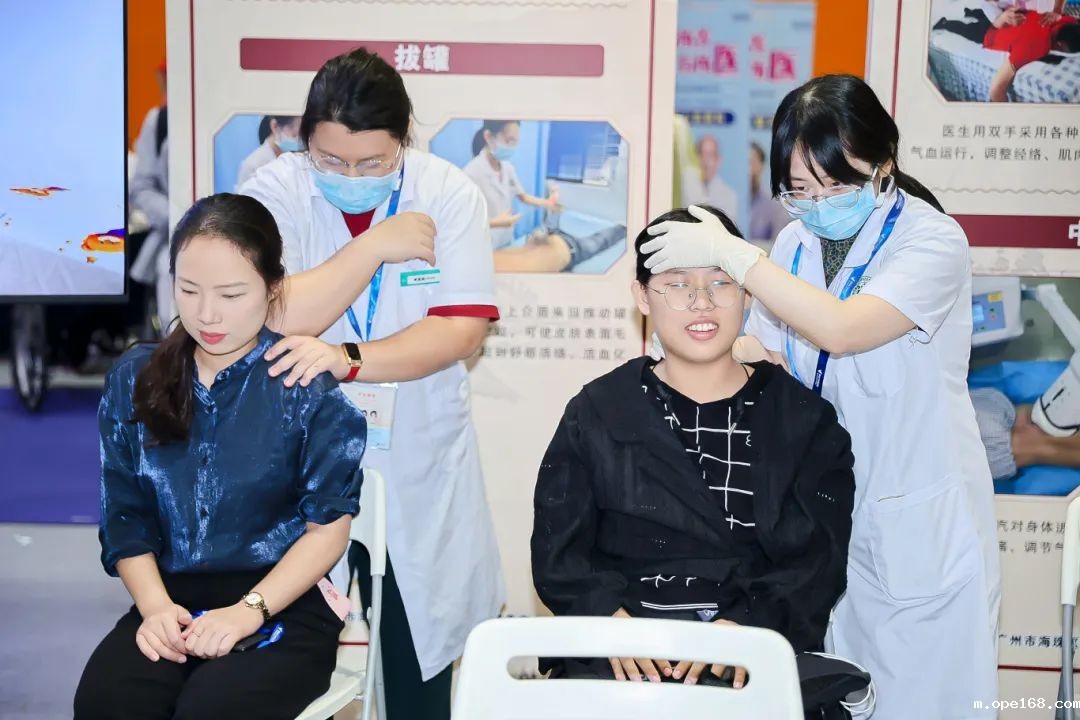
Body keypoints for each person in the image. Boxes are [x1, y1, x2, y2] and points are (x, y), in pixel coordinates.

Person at [641, 74, 1001, 719]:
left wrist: (736, 256)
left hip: (915, 525)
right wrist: (707, 336)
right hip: (823, 522)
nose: (816, 204)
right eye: (799, 190)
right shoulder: (795, 242)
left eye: (836, 186)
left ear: (884, 164)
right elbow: (761, 343)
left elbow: (842, 329)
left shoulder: (932, 242)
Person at [239, 47, 504, 719]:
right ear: (304, 140)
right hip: (298, 457)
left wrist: (346, 357)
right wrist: (372, 246)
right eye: (332, 161)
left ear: (403, 141)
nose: (351, 177)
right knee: (286, 666)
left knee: (415, 669)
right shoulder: (274, 192)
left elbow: (461, 331)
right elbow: (268, 315)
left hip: (415, 451)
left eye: (372, 163)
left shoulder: (447, 194)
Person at [533, 207, 862, 716]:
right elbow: (559, 550)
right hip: (622, 658)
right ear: (642, 296)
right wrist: (612, 624)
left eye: (720, 282)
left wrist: (744, 629)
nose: (701, 302)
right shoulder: (598, 410)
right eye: (677, 285)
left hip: (750, 651)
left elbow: (817, 561)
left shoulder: (802, 421)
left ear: (749, 294)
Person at [73, 193, 367, 719]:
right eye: (188, 290)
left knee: (213, 709)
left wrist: (248, 611)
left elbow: (327, 531)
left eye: (231, 294)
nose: (206, 314)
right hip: (171, 600)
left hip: (282, 605)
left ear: (272, 288)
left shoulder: (304, 388)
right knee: (108, 702)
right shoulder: (136, 378)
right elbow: (124, 516)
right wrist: (156, 609)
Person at [933, 1, 1077, 101]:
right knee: (970, 30)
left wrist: (1057, 10)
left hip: (1011, 16)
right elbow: (996, 89)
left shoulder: (1065, 19)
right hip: (994, 30)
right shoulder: (1035, 46)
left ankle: (973, 12)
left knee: (986, 17)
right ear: (1060, 45)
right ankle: (946, 23)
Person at [129, 59, 172, 333]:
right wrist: (177, 215)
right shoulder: (159, 121)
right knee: (172, 326)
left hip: (231, 240)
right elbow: (141, 186)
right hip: (172, 242)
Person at [681, 134, 738, 223]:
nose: (706, 161)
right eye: (702, 154)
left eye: (710, 155)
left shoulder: (729, 196)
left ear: (718, 160)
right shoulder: (685, 186)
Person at [236, 115, 303, 190]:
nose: (300, 142)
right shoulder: (254, 166)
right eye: (295, 135)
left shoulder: (297, 159)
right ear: (275, 126)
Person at [748, 142, 792, 247]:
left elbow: (780, 245)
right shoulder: (729, 198)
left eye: (751, 162)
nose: (748, 169)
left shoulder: (775, 203)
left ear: (762, 165)